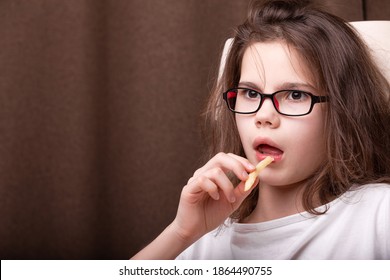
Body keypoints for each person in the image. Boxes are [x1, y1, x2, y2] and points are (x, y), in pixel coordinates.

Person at [131, 0, 390, 259]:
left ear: (343, 111)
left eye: (296, 95)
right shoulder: (202, 239)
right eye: (251, 93)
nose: (263, 116)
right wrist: (180, 233)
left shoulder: (379, 215)